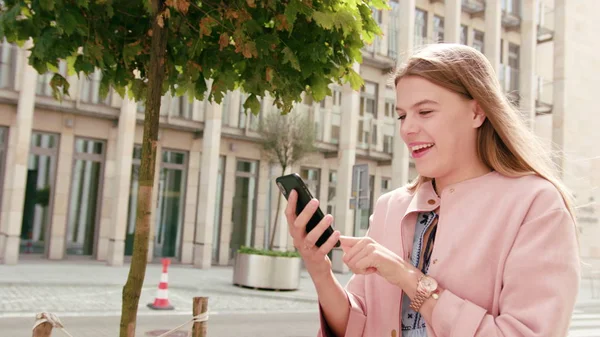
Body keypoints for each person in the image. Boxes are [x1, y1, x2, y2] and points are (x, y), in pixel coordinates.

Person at [284, 43, 581, 337]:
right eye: (402, 115)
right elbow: (356, 325)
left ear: (477, 112)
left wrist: (408, 278)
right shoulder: (391, 207)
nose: (407, 129)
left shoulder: (536, 205)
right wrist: (319, 268)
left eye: (425, 111)